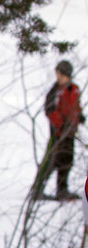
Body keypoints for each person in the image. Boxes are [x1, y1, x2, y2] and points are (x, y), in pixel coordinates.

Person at [31, 60, 82, 202]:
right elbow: (50, 110)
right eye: (57, 74)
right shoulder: (55, 91)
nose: (58, 77)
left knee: (67, 161)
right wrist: (60, 124)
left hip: (70, 133)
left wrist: (79, 117)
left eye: (61, 74)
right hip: (58, 134)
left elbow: (76, 107)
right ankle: (37, 190)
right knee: (51, 162)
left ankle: (62, 189)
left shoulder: (74, 89)